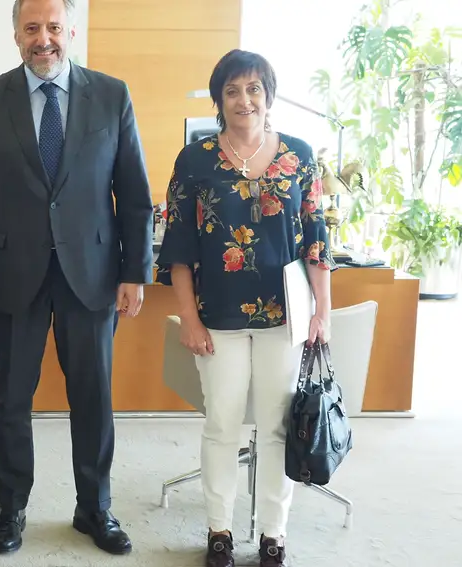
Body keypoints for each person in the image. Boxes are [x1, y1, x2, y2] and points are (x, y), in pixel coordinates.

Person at [0, 0, 153, 556]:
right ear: (15, 34)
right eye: (32, 28)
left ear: (71, 31)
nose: (44, 39)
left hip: (93, 273)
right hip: (14, 275)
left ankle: (95, 509)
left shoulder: (112, 95)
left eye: (54, 27)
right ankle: (10, 510)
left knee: (93, 398)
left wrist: (136, 270)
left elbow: (134, 196)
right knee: (11, 399)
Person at [155, 49, 336, 567]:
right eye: (232, 90)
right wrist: (188, 318)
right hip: (219, 318)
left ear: (269, 96)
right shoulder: (195, 160)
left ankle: (274, 534)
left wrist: (322, 312)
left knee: (278, 426)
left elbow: (316, 243)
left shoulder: (300, 155)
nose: (244, 99)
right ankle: (220, 530)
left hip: (286, 319)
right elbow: (180, 247)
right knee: (223, 424)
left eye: (254, 88)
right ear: (218, 99)